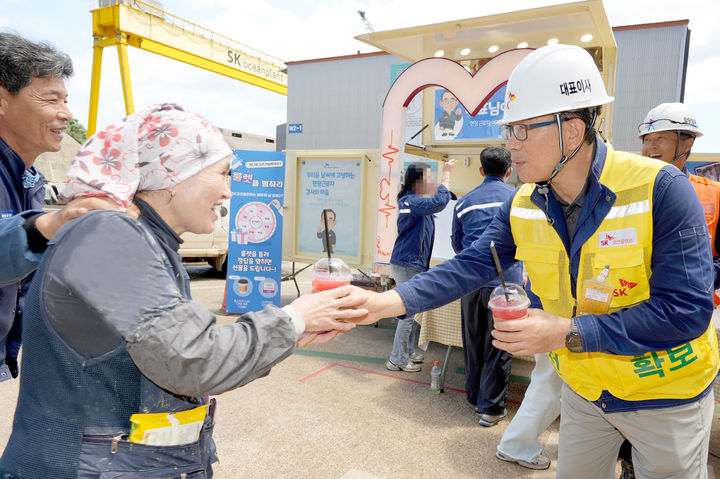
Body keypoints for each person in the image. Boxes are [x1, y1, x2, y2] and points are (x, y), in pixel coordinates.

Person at [354, 44, 718, 478]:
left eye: (524, 129)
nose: (511, 144)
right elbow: (470, 265)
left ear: (572, 131)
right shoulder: (523, 202)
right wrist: (386, 303)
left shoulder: (662, 189)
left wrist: (567, 331)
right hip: (585, 391)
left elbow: (686, 310)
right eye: (510, 129)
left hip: (666, 395)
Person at [0, 104, 368, 478]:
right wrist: (295, 318)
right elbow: (192, 360)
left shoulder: (146, 240)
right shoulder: (108, 235)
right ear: (173, 175)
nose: (228, 191)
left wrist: (291, 329)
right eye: (222, 174)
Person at [0, 31, 139, 383]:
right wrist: (50, 224)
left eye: (65, 99)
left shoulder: (29, 180)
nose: (66, 113)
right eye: (52, 99)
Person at [451, 146, 521, 427]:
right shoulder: (519, 199)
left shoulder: (463, 202)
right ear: (509, 171)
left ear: (481, 171)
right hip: (506, 285)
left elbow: (457, 244)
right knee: (500, 345)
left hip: (470, 282)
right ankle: (491, 408)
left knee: (473, 342)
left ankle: (474, 397)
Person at [386, 159, 456, 373]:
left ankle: (407, 352)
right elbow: (440, 202)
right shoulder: (410, 201)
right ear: (416, 181)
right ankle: (396, 359)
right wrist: (446, 174)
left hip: (413, 263)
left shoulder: (418, 201)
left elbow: (440, 200)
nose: (432, 180)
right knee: (408, 313)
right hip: (406, 264)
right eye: (429, 177)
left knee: (416, 311)